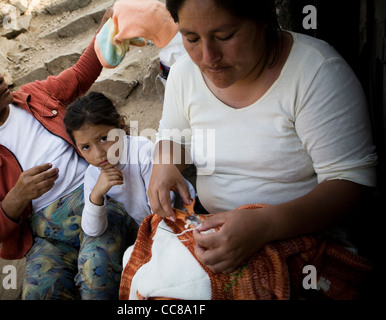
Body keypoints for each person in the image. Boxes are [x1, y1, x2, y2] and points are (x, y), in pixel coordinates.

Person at [148, 0, 377, 279]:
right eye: (191, 38)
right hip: (214, 227)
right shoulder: (184, 73)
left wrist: (265, 226)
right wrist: (165, 164)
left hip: (305, 236)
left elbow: (352, 182)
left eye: (225, 36)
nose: (208, 57)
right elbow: (174, 136)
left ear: (263, 18)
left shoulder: (315, 72)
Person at [0, 9, 135, 300]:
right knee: (41, 292)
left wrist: (103, 32)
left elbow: (80, 74)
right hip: (46, 239)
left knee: (96, 277)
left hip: (96, 201)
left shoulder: (35, 96)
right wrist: (16, 197)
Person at [63, 91, 196, 237]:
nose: (98, 154)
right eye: (86, 147)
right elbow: (93, 230)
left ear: (121, 126)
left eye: (103, 139)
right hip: (153, 228)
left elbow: (164, 207)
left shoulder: (142, 151)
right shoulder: (92, 174)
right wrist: (96, 195)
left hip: (184, 216)